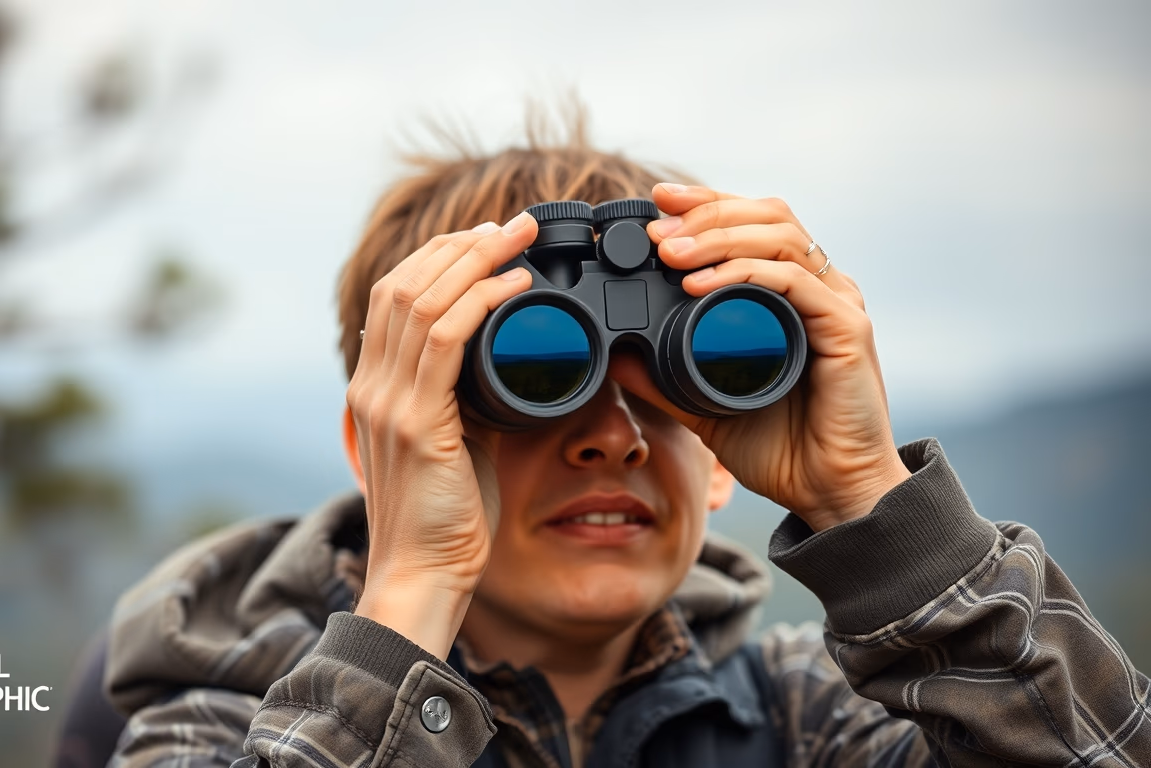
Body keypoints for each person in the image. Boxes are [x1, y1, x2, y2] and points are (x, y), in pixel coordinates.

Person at [92, 109, 1150, 767]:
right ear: (384, 447)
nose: (613, 437)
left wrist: (867, 498)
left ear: (722, 462)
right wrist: (412, 590)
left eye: (688, 384)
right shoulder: (223, 720)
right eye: (538, 375)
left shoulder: (814, 720)